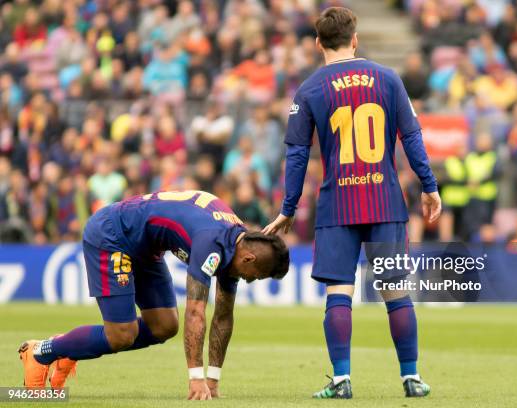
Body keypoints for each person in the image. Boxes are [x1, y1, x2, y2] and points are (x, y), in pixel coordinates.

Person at [263, 7, 441, 399]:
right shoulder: (388, 79)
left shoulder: (309, 90)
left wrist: (287, 209)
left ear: (317, 44)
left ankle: (342, 381)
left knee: (338, 293)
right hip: (384, 201)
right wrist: (429, 186)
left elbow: (296, 155)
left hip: (337, 205)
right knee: (395, 291)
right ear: (355, 39)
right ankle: (410, 377)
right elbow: (411, 138)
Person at [19, 190, 289, 400]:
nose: (251, 281)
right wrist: (196, 378)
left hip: (146, 247)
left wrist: (213, 380)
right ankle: (43, 352)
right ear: (250, 258)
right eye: (257, 276)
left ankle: (69, 347)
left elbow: (223, 316)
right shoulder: (212, 242)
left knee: (165, 326)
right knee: (121, 335)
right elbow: (196, 311)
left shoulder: (237, 244)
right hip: (113, 234)